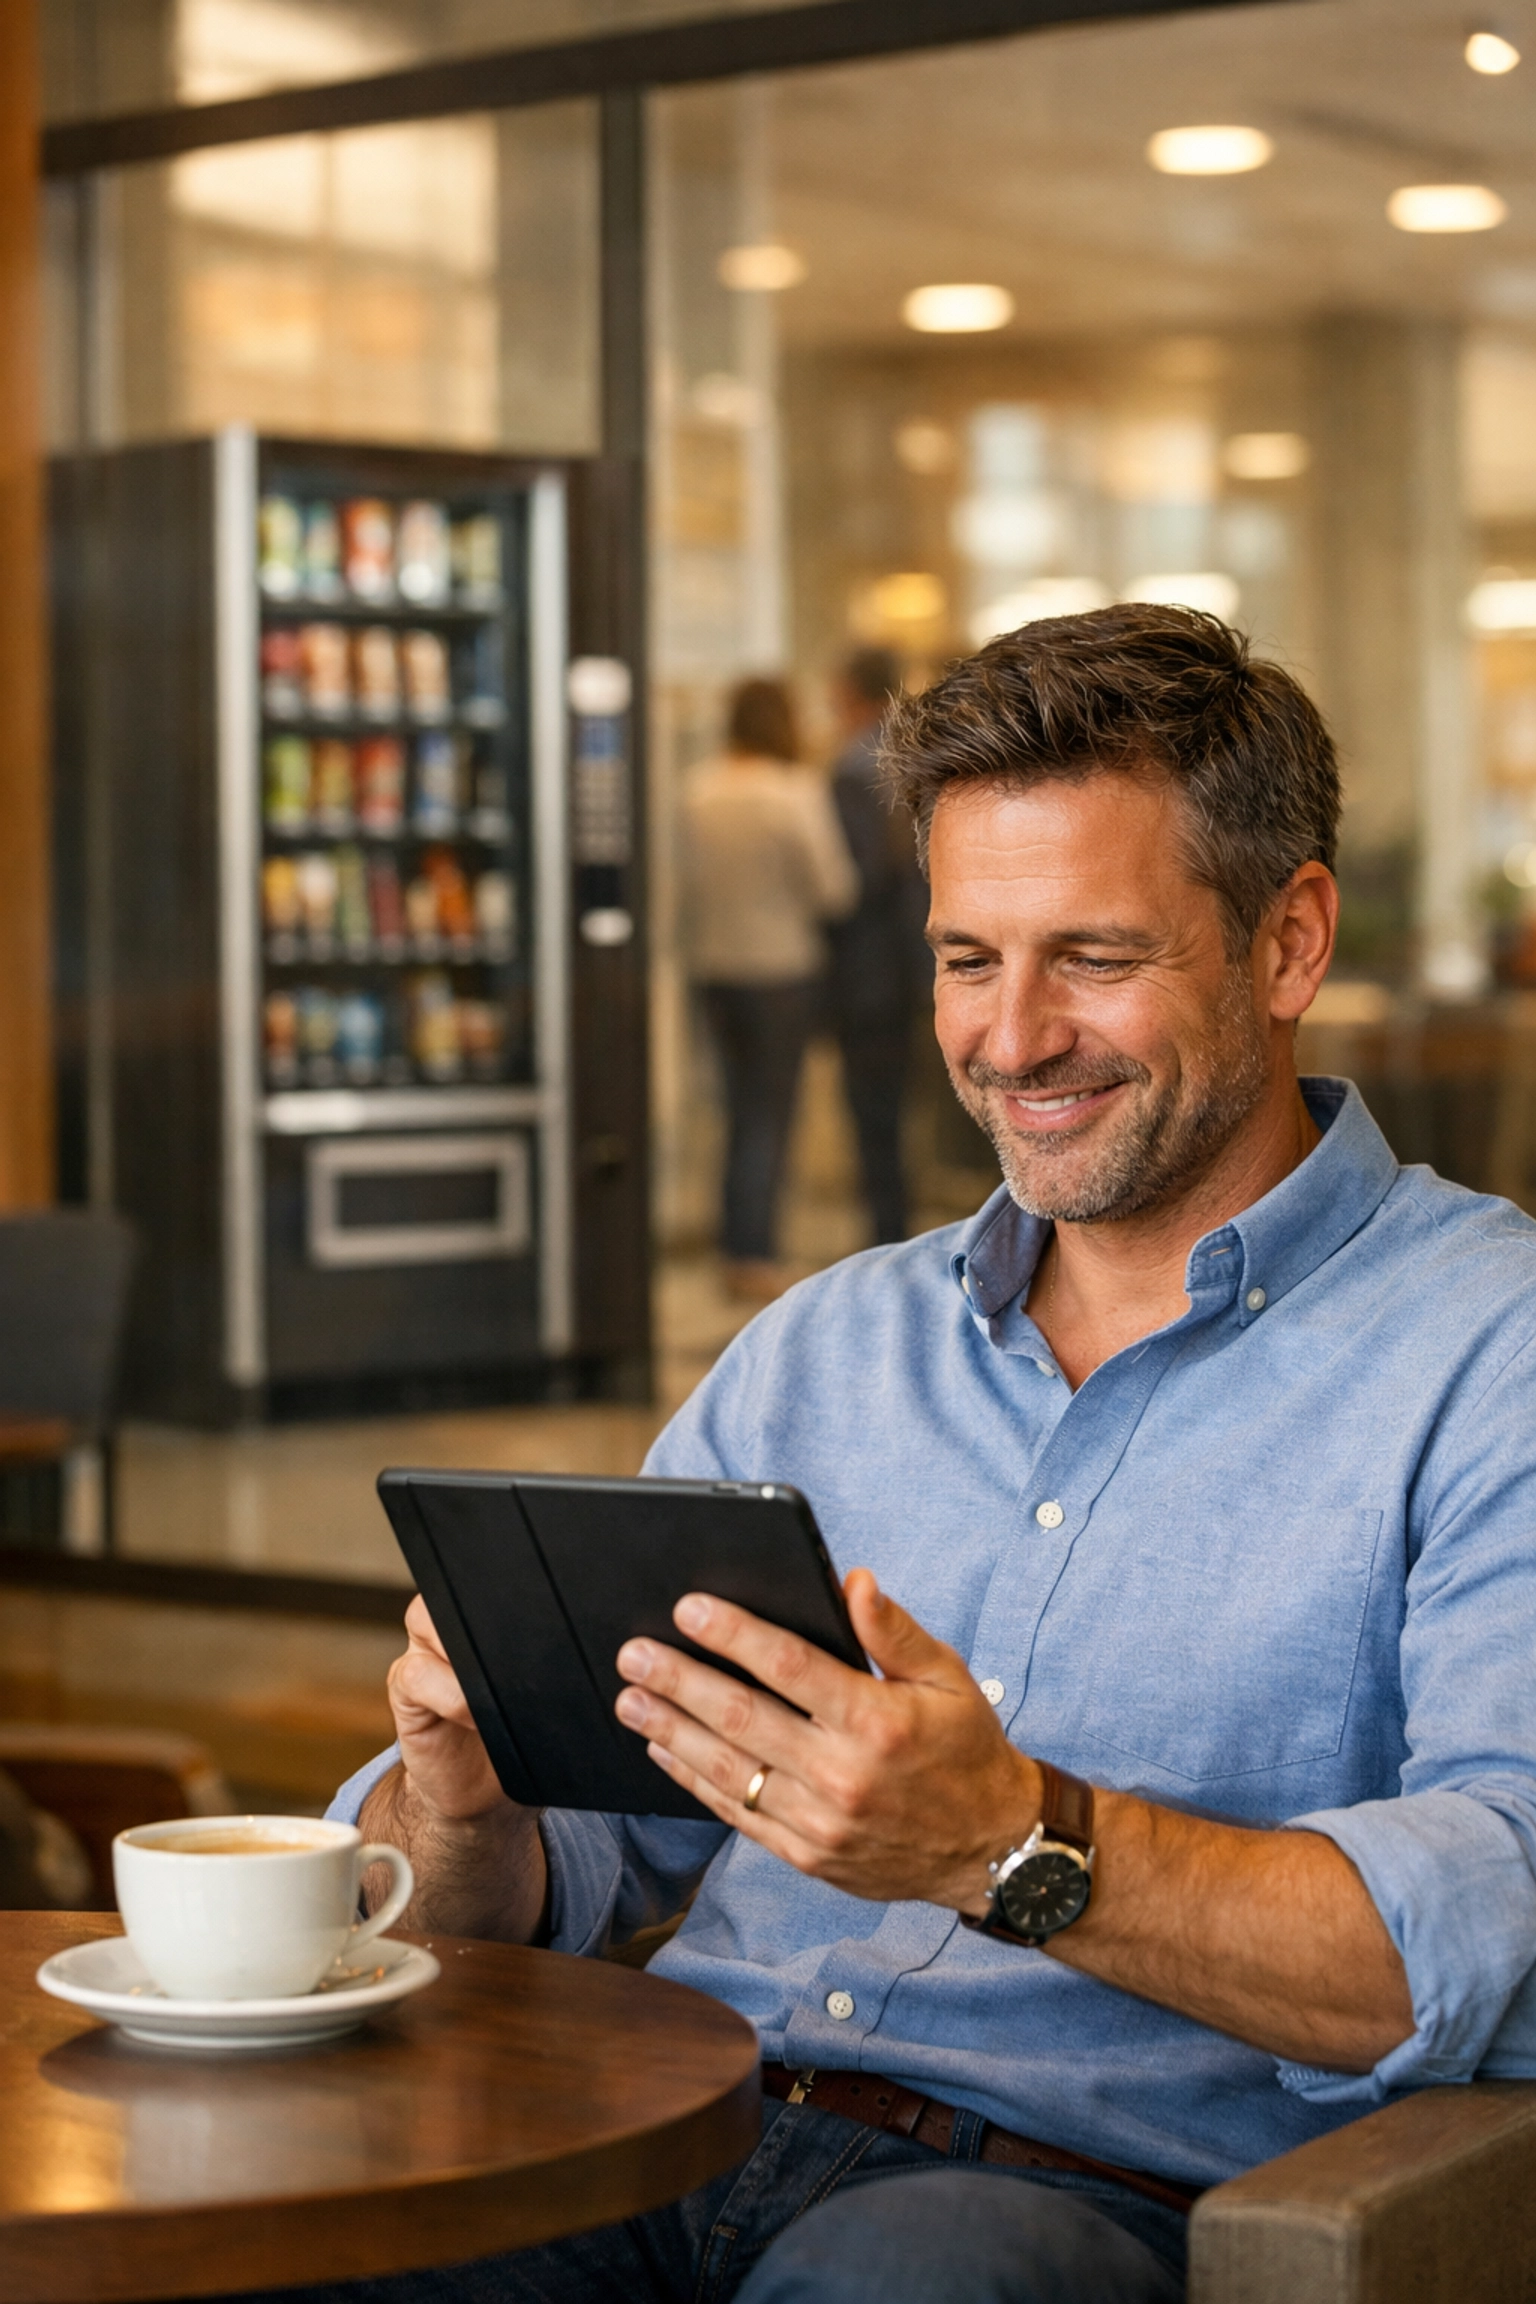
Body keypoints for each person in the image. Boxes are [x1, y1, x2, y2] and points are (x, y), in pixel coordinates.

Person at [327, 605, 1536, 2304]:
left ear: (1288, 941)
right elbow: (564, 1872)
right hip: (660, 2131)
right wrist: (461, 1808)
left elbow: (1499, 1928)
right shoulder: (827, 1345)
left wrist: (1011, 1843)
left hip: (1074, 2198)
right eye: (970, 959)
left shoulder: (1491, 1350)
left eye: (1093, 957)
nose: (1012, 1038)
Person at [679, 676, 858, 1301]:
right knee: (770, 1117)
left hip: (711, 970)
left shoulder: (697, 790)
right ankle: (757, 1253)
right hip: (782, 971)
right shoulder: (793, 791)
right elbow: (834, 887)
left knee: (731, 1109)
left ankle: (731, 1247)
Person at [825, 647, 930, 1245]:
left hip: (869, 969)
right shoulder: (922, 755)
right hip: (922, 960)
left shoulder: (852, 767)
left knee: (875, 1114)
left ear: (851, 693)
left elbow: (858, 879)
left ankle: (888, 1239)